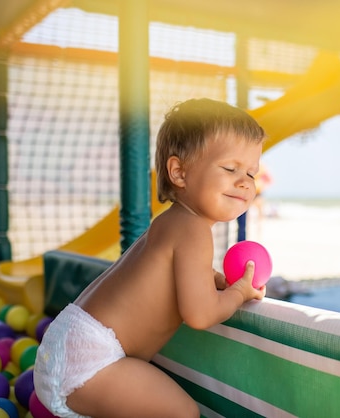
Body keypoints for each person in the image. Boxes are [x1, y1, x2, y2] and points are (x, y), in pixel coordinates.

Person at [34, 98, 267, 418]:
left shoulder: (170, 221)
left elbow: (165, 275)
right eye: (230, 168)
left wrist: (211, 277)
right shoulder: (195, 229)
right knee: (182, 413)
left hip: (68, 345)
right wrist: (239, 292)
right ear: (179, 172)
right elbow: (200, 315)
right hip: (89, 362)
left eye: (252, 173)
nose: (244, 181)